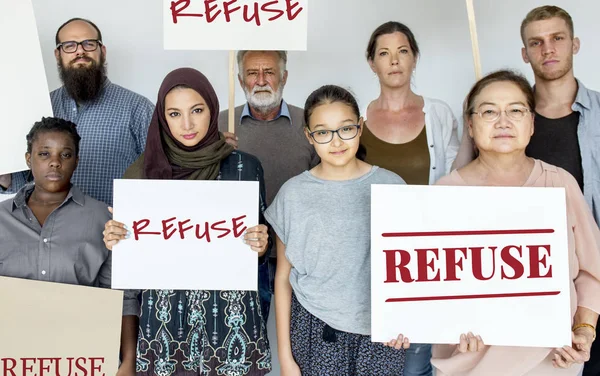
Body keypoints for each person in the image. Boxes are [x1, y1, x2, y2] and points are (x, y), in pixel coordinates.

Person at [428, 70, 600, 376]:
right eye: (489, 111)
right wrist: (448, 326)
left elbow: (591, 271)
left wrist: (584, 330)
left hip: (554, 364)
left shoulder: (559, 183)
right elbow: (429, 287)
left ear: (532, 124)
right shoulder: (445, 193)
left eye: (516, 110)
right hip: (468, 366)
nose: (503, 121)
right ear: (470, 124)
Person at [102, 67, 271, 376]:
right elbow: (133, 268)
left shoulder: (246, 167)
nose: (188, 124)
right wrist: (117, 239)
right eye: (175, 114)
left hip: (230, 321)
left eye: (197, 110)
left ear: (212, 108)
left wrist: (260, 245)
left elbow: (258, 249)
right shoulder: (142, 174)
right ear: (162, 118)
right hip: (165, 323)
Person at [266, 85, 407, 376]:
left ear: (360, 127)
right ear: (308, 136)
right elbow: (282, 278)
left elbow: (407, 269)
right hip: (316, 330)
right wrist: (285, 357)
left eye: (345, 129)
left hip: (380, 333)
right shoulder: (292, 194)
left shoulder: (392, 186)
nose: (336, 141)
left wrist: (405, 321)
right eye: (322, 132)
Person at [0, 117, 139, 376]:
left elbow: (123, 296)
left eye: (65, 154)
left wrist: (128, 361)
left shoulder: (105, 219)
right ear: (28, 159)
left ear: (76, 160)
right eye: (44, 153)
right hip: (11, 357)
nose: (55, 161)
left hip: (81, 357)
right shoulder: (1, 219)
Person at [0, 18, 154, 205]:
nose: (80, 51)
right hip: (45, 230)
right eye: (69, 46)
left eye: (89, 44)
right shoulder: (38, 107)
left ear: (102, 51)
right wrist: (6, 178)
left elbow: (158, 177)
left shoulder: (138, 108)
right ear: (58, 55)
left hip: (109, 231)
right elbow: (23, 181)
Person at [218, 50, 319, 321]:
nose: (261, 80)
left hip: (300, 259)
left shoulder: (310, 123)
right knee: (243, 344)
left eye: (269, 72)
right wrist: (215, 155)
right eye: (252, 73)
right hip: (240, 255)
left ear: (284, 77)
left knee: (301, 344)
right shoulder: (217, 124)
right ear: (240, 80)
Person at [362, 21, 459, 187]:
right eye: (384, 53)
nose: (394, 61)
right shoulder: (356, 121)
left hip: (428, 213)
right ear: (372, 64)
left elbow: (456, 177)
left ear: (414, 58)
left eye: (403, 51)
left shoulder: (440, 114)